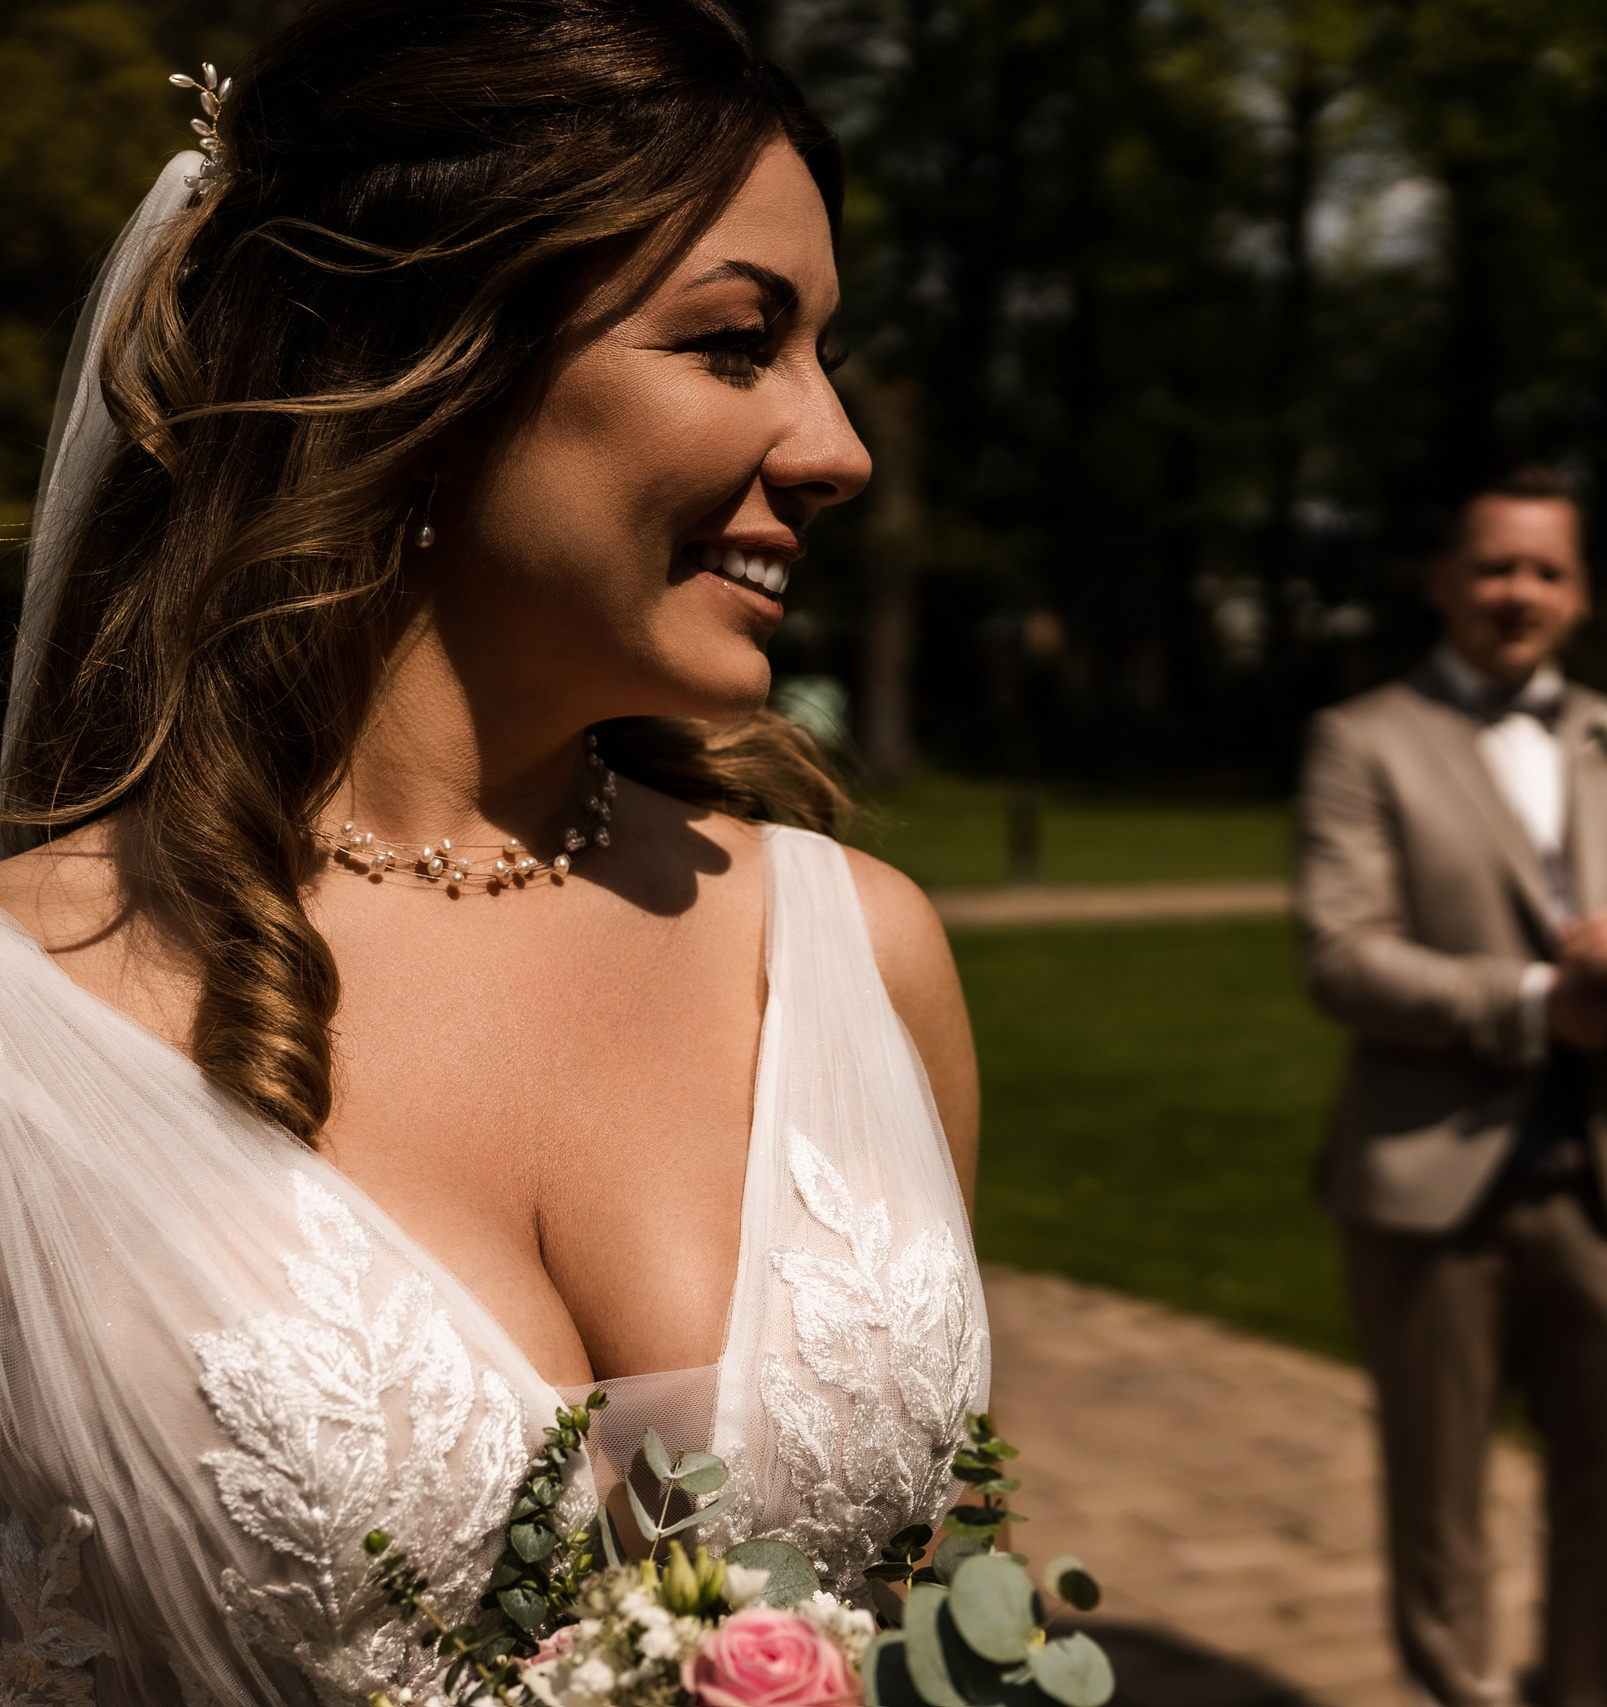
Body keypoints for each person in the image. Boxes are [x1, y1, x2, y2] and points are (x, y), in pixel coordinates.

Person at [0, 5, 989, 1702]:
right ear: (432, 358)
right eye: (738, 345)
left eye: (825, 352)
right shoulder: (30, 1026)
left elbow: (951, 1605)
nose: (838, 450)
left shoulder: (859, 952)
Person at [1295, 466, 1607, 1707]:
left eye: (1545, 570)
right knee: (1439, 1504)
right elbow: (1342, 956)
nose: (1517, 591)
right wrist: (1543, 1003)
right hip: (1429, 1182)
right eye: (1494, 566)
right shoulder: (1361, 738)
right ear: (1444, 583)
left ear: (1579, 593)